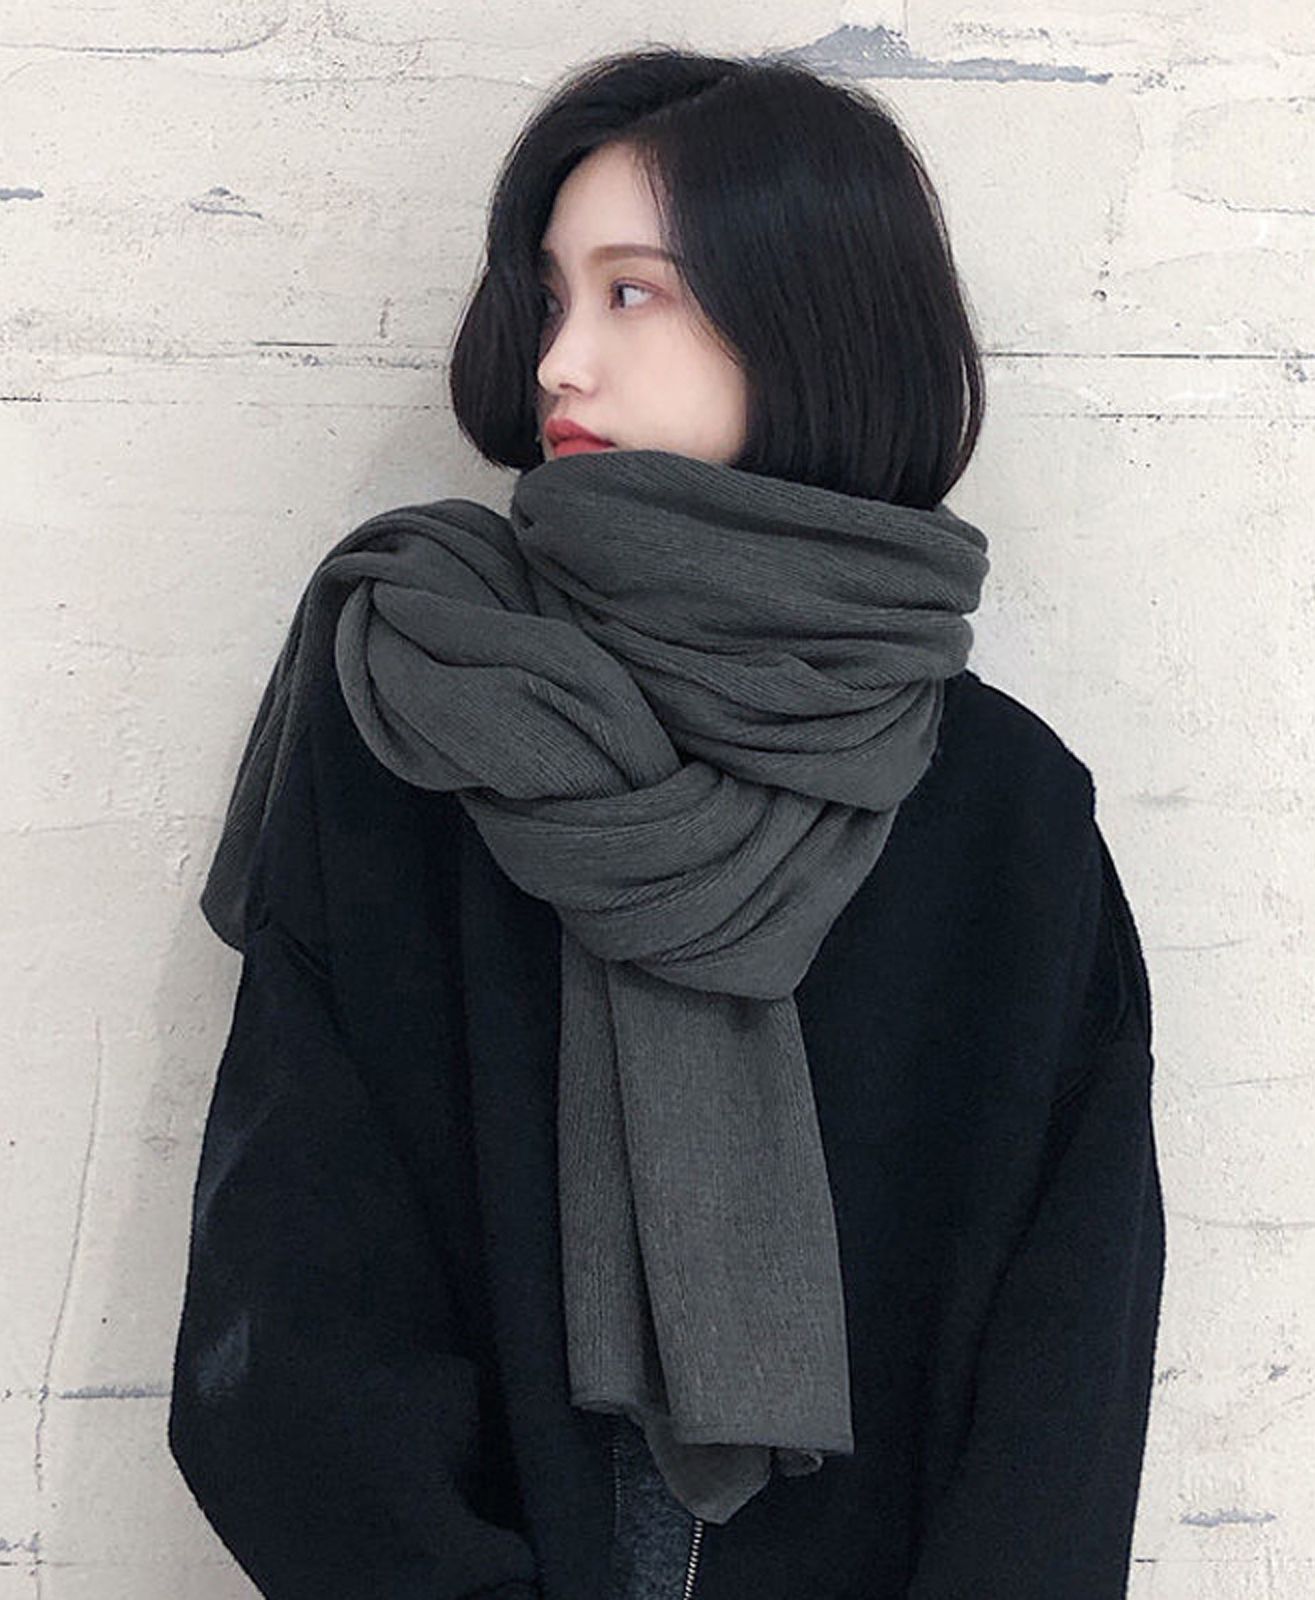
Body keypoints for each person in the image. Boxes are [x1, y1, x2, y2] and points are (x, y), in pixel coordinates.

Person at [168, 44, 1164, 1600]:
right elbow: (292, 1296)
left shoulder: (1003, 814)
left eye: (631, 292)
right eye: (550, 299)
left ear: (812, 317)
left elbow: (1068, 1369)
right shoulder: (427, 707)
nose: (560, 361)